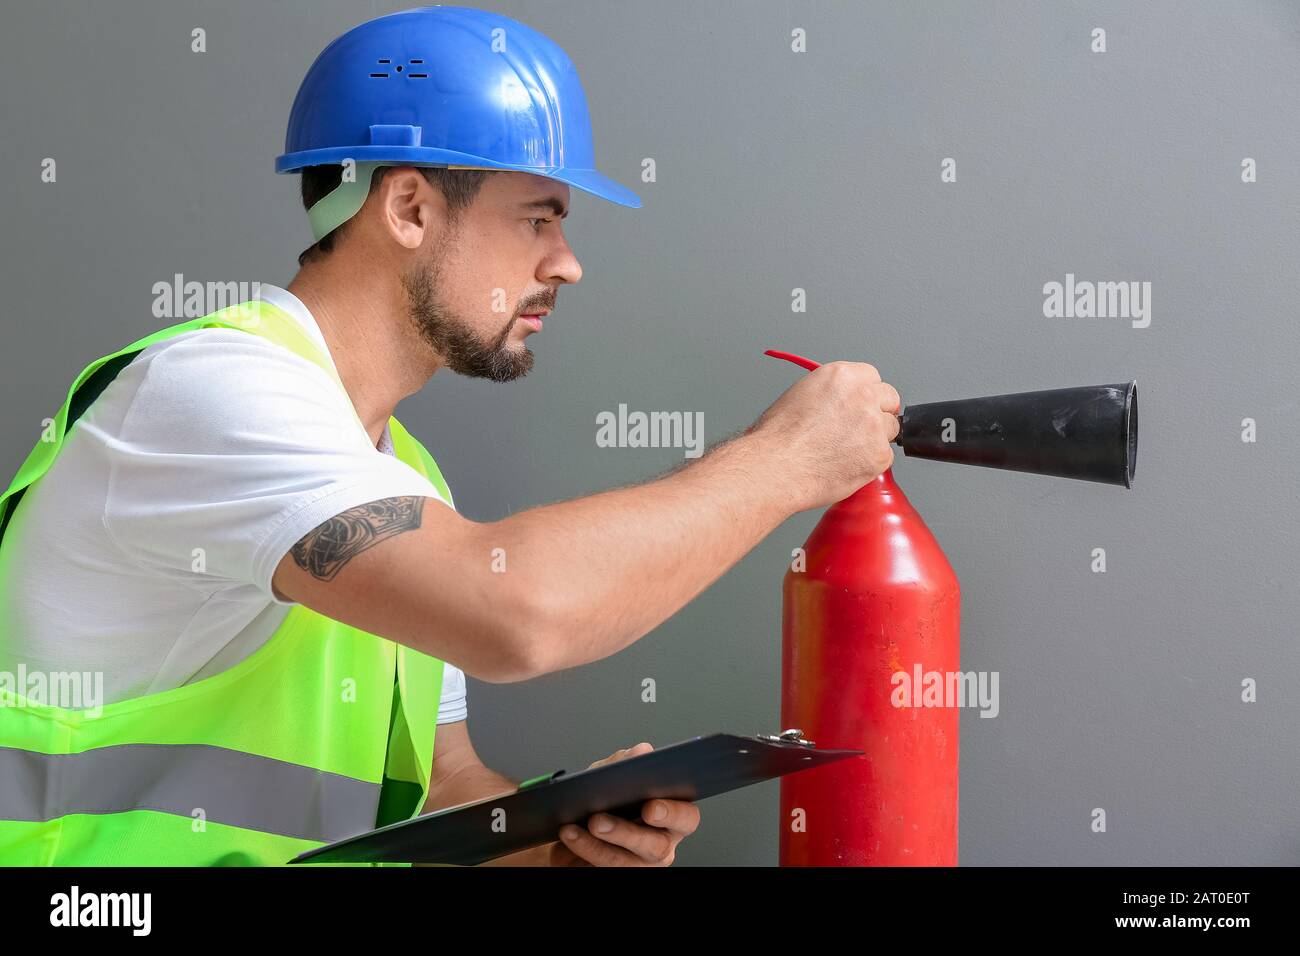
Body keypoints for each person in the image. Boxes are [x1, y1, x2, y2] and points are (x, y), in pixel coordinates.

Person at [0, 6, 899, 867]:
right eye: (538, 217)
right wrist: (786, 461)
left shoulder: (396, 474)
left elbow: (441, 792)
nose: (567, 263)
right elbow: (515, 615)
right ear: (410, 209)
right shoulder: (213, 394)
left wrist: (558, 845)